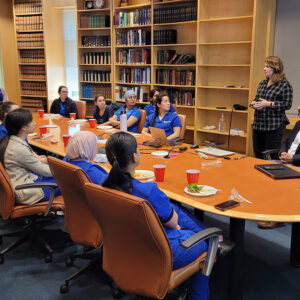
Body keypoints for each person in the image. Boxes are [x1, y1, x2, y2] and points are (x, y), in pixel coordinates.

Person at [103, 132, 210, 300]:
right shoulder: (149, 191)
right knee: (206, 241)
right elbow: (173, 222)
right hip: (159, 253)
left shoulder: (104, 185)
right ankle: (199, 296)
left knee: (176, 213)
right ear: (134, 157)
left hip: (124, 248)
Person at [0, 109, 61, 205]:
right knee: (69, 183)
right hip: (27, 192)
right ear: (24, 127)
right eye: (31, 121)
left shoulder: (12, 140)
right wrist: (64, 170)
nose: (35, 123)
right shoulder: (18, 148)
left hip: (25, 184)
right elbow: (44, 171)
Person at [250, 56, 293, 159]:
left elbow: (287, 104)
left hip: (274, 126)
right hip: (258, 125)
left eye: (267, 67)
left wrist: (268, 104)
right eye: (264, 66)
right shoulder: (262, 83)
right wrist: (253, 104)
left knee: (273, 155)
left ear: (275, 68)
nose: (264, 69)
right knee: (258, 154)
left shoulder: (284, 85)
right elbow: (257, 99)